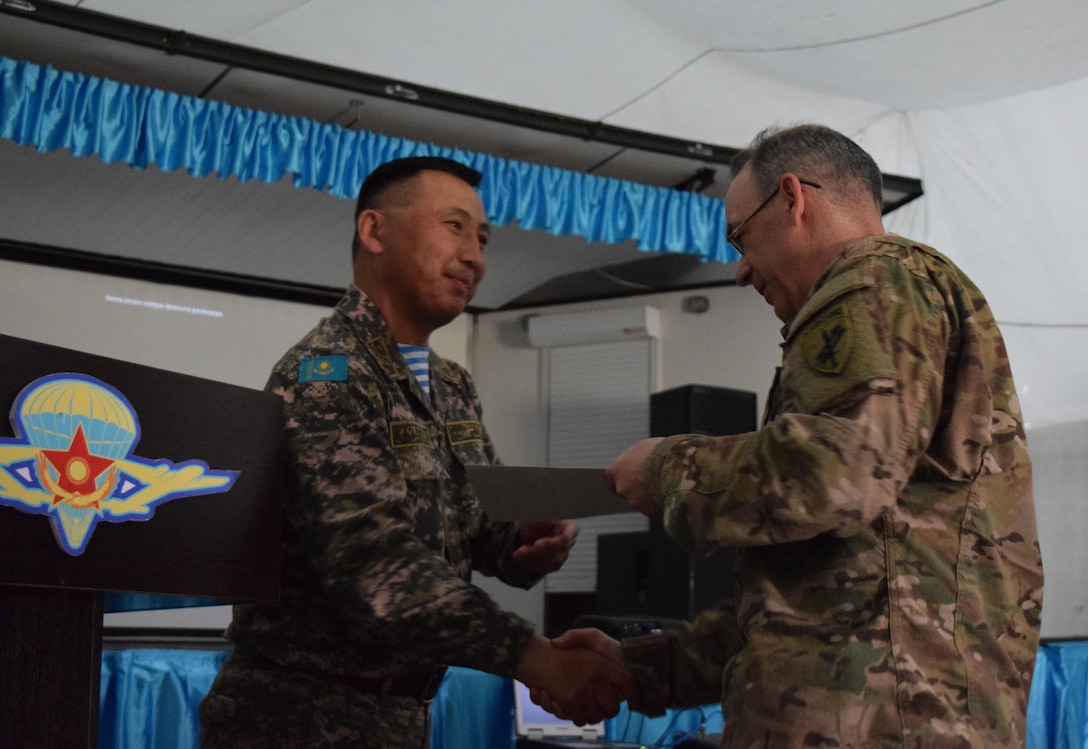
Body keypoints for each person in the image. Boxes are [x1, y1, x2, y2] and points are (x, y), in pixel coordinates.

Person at [544, 124, 1044, 747]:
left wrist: (669, 468)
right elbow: (821, 598)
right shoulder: (902, 297)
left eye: (740, 236)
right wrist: (643, 668)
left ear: (792, 199)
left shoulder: (874, 282)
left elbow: (840, 475)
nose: (741, 270)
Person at [200, 156, 633, 748]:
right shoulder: (326, 374)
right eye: (453, 227)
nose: (475, 256)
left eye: (482, 237)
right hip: (295, 717)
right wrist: (537, 659)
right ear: (374, 231)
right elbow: (375, 566)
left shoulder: (452, 385)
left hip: (400, 715)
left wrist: (520, 545)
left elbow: (470, 529)